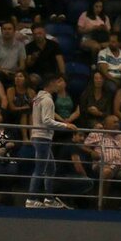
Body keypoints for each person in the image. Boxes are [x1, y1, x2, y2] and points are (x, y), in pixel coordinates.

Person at [25, 73, 77, 209]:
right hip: (42, 136)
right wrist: (66, 125)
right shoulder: (47, 100)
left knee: (50, 168)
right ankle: (31, 199)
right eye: (56, 82)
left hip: (40, 136)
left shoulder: (38, 98)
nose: (58, 85)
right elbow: (47, 121)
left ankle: (49, 198)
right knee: (40, 168)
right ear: (51, 83)